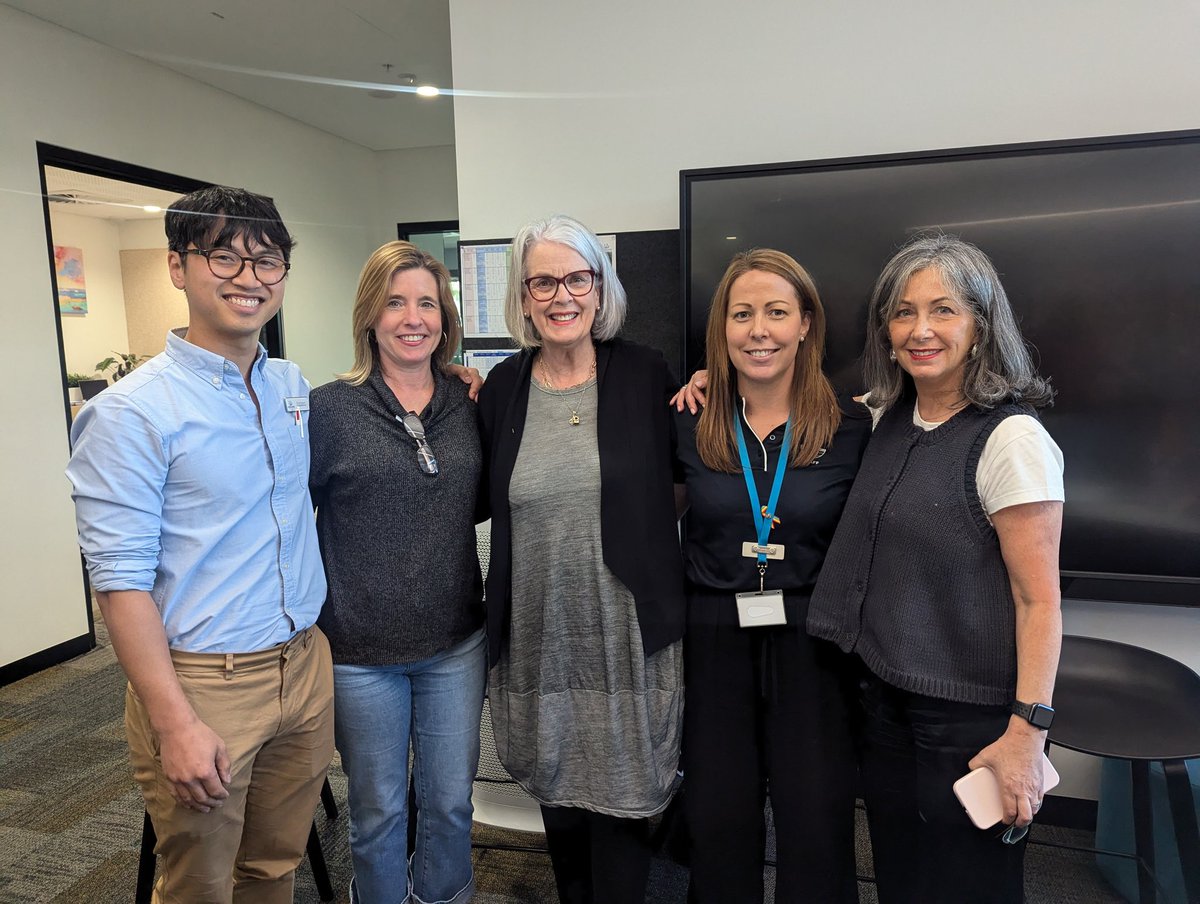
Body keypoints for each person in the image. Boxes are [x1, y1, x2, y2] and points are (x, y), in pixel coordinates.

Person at [66, 186, 333, 903]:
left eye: (267, 261)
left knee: (274, 868)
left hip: (303, 665)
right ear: (178, 266)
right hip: (205, 684)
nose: (249, 278)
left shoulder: (289, 386)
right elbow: (118, 583)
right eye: (224, 257)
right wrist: (174, 721)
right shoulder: (130, 413)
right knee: (200, 886)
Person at [807, 234, 1064, 903]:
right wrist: (711, 381)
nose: (920, 330)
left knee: (968, 886)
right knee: (900, 878)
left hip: (971, 719)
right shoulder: (888, 415)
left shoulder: (1011, 440)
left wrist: (1027, 736)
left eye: (943, 310)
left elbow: (1039, 603)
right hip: (886, 702)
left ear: (981, 325)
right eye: (903, 312)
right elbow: (789, 400)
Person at [476, 214, 686, 904]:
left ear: (600, 287)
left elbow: (683, 479)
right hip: (539, 636)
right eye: (543, 282)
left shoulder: (645, 372)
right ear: (524, 296)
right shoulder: (502, 388)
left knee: (624, 803)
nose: (561, 295)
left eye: (576, 278)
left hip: (624, 634)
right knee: (559, 793)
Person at [673, 249, 869, 903]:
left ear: (806, 323)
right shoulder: (688, 419)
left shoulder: (852, 425)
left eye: (777, 312)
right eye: (742, 314)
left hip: (814, 639)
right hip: (713, 633)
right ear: (722, 328)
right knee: (718, 814)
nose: (759, 330)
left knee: (816, 817)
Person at [308, 241, 485, 904]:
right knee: (378, 811)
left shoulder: (471, 401)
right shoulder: (328, 410)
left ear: (446, 317)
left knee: (450, 804)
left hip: (455, 644)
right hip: (360, 654)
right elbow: (286, 521)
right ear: (369, 316)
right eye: (395, 303)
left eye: (427, 304)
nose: (413, 318)